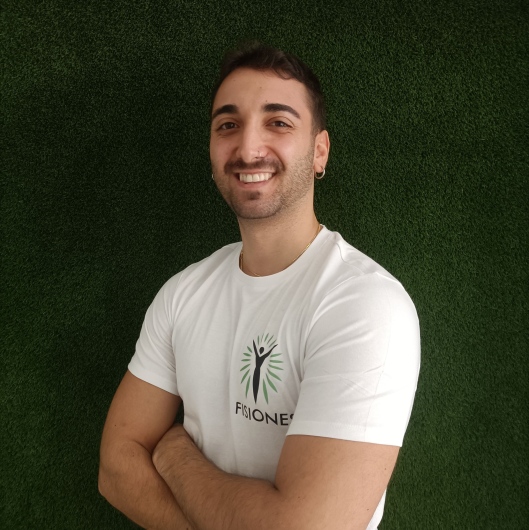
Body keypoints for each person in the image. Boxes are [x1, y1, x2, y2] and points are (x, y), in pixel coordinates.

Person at [98, 42, 420, 530]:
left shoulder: (366, 305)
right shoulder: (182, 293)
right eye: (228, 125)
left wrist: (173, 451)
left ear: (319, 151)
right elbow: (116, 470)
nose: (248, 148)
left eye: (279, 122)